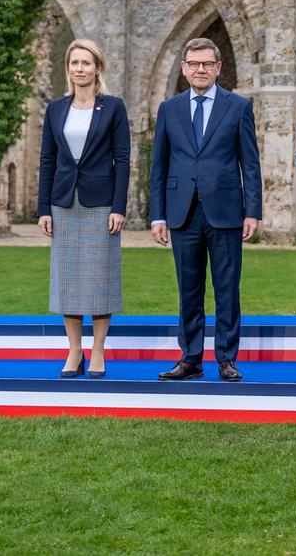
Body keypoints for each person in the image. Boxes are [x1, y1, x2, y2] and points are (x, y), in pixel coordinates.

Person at [149, 37, 262, 382]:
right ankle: (191, 357)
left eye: (207, 64)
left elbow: (250, 163)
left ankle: (226, 358)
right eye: (194, 64)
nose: (201, 69)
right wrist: (158, 214)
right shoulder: (169, 109)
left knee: (227, 287)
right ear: (183, 68)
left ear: (218, 67)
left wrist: (252, 211)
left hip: (226, 210)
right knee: (189, 288)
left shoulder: (238, 106)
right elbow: (159, 166)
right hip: (182, 211)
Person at [37, 39, 130, 379]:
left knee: (100, 278)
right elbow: (48, 159)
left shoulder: (114, 107)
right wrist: (43, 207)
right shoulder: (56, 109)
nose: (80, 69)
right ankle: (74, 350)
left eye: (86, 63)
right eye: (74, 63)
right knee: (69, 279)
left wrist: (119, 206)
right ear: (69, 68)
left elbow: (123, 159)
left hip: (101, 203)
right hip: (64, 203)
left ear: (98, 68)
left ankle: (98, 350)